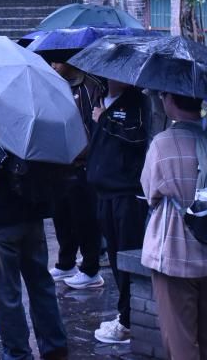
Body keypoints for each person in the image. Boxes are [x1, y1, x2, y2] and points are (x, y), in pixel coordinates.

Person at [140, 93, 207, 360]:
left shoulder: (163, 142)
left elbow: (149, 191)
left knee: (181, 342)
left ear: (170, 100)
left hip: (174, 253)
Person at [0, 154, 69, 360]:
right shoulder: (32, 136)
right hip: (31, 210)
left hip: (0, 213)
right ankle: (54, 347)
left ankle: (17, 353)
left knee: (5, 291)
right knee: (40, 284)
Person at [87, 77, 153, 345]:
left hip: (127, 193)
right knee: (115, 256)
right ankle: (125, 313)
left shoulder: (138, 102)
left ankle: (129, 320)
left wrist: (105, 119)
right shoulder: (100, 98)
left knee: (127, 255)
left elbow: (137, 137)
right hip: (103, 190)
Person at [46, 63, 103, 291]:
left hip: (82, 163)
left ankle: (90, 269)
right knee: (61, 216)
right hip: (59, 161)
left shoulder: (90, 86)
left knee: (85, 219)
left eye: (57, 62)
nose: (53, 66)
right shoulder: (52, 83)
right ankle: (66, 263)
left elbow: (93, 125)